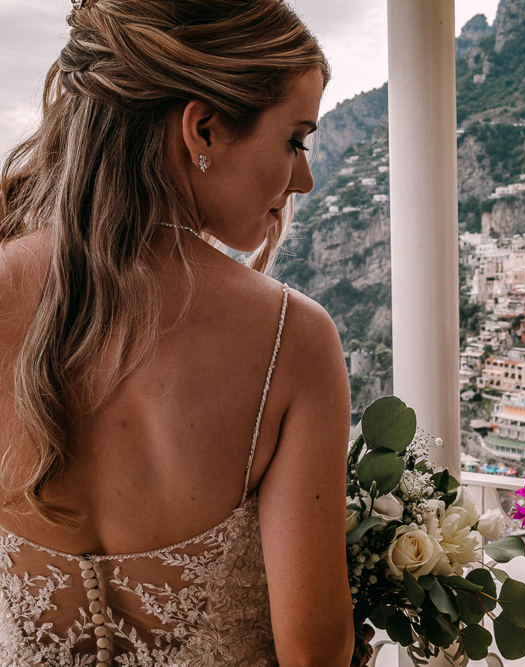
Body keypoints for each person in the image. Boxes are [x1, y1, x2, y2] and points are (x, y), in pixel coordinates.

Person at [0, 1, 357, 665]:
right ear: (204, 129)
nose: (303, 177)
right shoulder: (293, 341)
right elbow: (317, 653)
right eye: (295, 140)